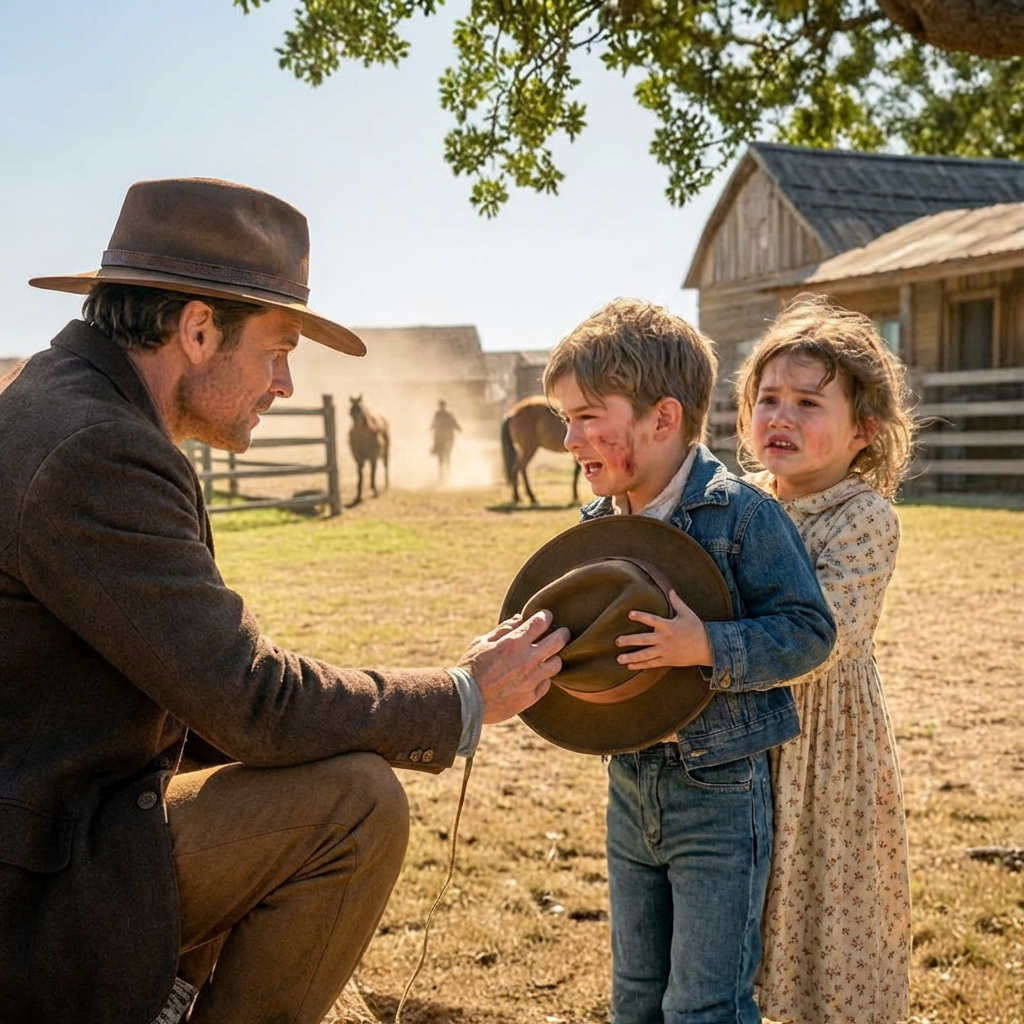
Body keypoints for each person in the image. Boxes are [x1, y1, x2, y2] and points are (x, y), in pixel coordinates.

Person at [0, 177, 567, 1024]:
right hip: (39, 880)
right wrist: (464, 695)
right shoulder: (97, 449)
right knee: (352, 806)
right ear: (197, 329)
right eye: (276, 351)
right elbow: (253, 703)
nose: (287, 385)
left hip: (67, 816)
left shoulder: (69, 408)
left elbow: (202, 688)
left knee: (293, 767)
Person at [542, 298, 837, 1024]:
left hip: (721, 792)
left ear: (663, 419)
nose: (569, 438)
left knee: (704, 1001)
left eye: (586, 417)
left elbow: (809, 631)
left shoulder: (741, 516)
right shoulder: (595, 531)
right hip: (631, 787)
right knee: (635, 997)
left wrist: (708, 645)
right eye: (564, 421)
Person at [735, 294, 915, 1024]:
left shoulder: (862, 516)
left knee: (829, 899)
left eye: (808, 403)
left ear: (863, 431)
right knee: (749, 901)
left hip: (826, 747)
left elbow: (822, 641)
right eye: (768, 398)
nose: (781, 416)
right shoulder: (739, 503)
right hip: (747, 738)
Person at [430, 398, 461, 484]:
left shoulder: (441, 414)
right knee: (445, 456)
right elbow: (454, 423)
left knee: (445, 456)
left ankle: (444, 475)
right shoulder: (442, 414)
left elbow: (454, 423)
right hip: (445, 437)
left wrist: (431, 428)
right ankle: (443, 475)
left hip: (445, 437)